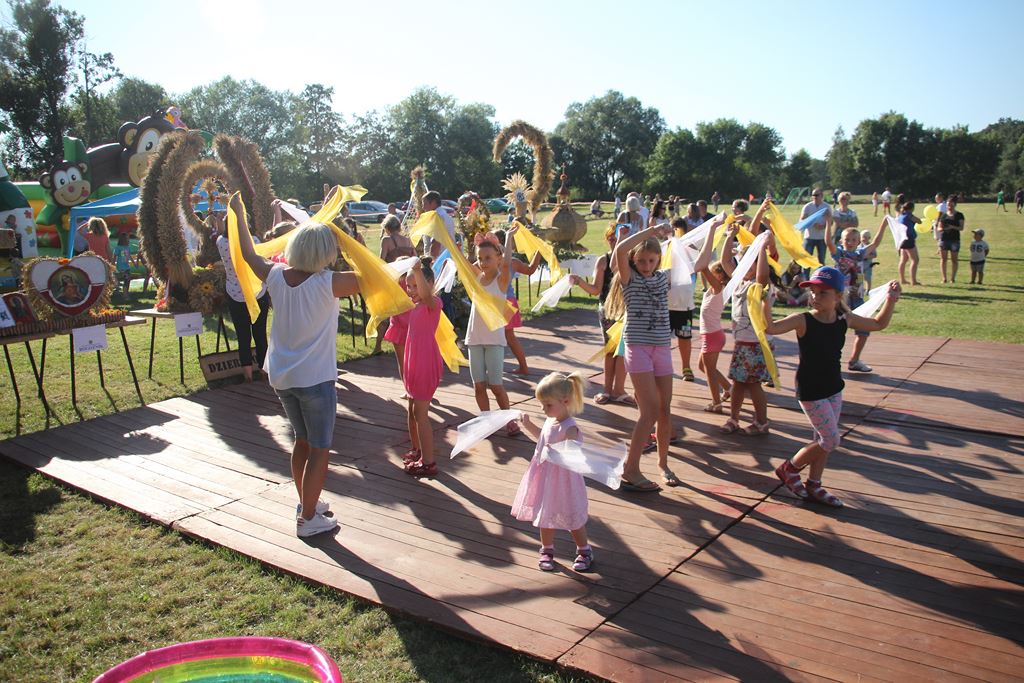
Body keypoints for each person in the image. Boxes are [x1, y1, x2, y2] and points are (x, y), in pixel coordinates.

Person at [231, 191, 363, 538]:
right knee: (319, 447)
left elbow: (247, 253)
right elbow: (370, 273)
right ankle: (308, 519)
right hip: (315, 379)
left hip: (282, 377)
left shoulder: (275, 274)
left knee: (301, 441)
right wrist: (342, 232)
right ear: (325, 252)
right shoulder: (329, 283)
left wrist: (239, 214)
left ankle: (307, 502)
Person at [765, 266, 901, 508]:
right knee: (831, 440)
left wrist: (891, 299)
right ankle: (789, 468)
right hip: (810, 390)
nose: (815, 296)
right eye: (813, 291)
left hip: (834, 388)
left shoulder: (844, 319)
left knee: (822, 439)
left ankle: (814, 485)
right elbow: (771, 328)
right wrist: (765, 301)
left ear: (838, 296)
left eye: (822, 292)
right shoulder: (802, 320)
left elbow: (879, 323)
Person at [607, 224, 673, 491]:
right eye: (642, 261)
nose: (647, 266)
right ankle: (630, 469)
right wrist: (652, 230)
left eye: (652, 261)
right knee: (649, 411)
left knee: (664, 409)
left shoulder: (663, 278)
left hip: (662, 348)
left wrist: (715, 229)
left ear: (659, 259)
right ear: (635, 260)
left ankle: (663, 464)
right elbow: (621, 250)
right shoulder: (629, 279)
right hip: (638, 348)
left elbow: (700, 263)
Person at [510, 371, 593, 571]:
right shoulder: (551, 420)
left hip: (564, 480)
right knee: (544, 513)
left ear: (565, 401)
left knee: (571, 515)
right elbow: (543, 437)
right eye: (542, 404)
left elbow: (571, 452)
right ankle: (546, 549)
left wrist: (557, 450)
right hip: (546, 476)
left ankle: (584, 550)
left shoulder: (570, 427)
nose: (543, 408)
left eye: (548, 405)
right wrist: (528, 424)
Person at [719, 200, 773, 436]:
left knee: (753, 384)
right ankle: (734, 418)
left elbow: (762, 276)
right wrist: (730, 236)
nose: (745, 267)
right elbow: (725, 262)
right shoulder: (739, 282)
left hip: (754, 344)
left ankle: (762, 421)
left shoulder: (758, 286)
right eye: (743, 263)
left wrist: (761, 249)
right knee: (739, 383)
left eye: (750, 264)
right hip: (742, 343)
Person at [571, 224, 634, 405]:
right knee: (610, 350)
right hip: (608, 310)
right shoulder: (603, 261)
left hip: (627, 309)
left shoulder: (631, 259)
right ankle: (607, 389)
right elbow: (596, 289)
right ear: (607, 240)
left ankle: (619, 389)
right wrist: (579, 282)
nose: (615, 242)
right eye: (612, 238)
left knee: (623, 351)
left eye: (619, 238)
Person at [466, 226, 520, 434]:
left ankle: (509, 420)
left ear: (498, 258)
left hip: (494, 341)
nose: (483, 262)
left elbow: (506, 264)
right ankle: (486, 420)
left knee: (496, 386)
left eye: (488, 258)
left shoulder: (501, 280)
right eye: (480, 258)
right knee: (479, 386)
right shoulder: (478, 277)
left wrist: (508, 238)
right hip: (474, 339)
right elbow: (464, 262)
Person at [400, 259, 444, 478]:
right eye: (409, 286)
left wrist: (417, 270)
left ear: (429, 284)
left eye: (416, 285)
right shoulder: (416, 306)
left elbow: (426, 295)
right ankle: (418, 449)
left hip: (425, 364)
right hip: (414, 363)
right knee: (412, 411)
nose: (411, 290)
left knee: (421, 414)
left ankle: (428, 462)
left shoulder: (433, 303)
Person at [825, 223, 887, 373]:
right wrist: (828, 223)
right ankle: (827, 359)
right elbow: (828, 242)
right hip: (841, 299)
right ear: (841, 241)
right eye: (847, 239)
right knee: (834, 328)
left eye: (854, 240)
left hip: (857, 297)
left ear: (859, 241)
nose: (850, 242)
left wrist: (884, 224)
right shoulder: (839, 254)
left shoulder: (860, 254)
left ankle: (854, 360)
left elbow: (875, 243)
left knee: (864, 330)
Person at [216, 212, 270, 382]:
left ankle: (247, 374)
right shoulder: (254, 241)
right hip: (257, 293)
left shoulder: (221, 242)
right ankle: (263, 370)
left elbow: (220, 232)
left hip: (235, 293)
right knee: (260, 333)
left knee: (243, 335)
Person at [494, 229, 541, 375]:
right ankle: (522, 366)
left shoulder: (494, 261)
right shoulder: (513, 262)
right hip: (509, 301)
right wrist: (539, 251)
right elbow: (531, 270)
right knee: (509, 337)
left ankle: (499, 368)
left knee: (499, 337)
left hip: (500, 302)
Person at [799, 189, 832, 269]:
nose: (814, 197)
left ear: (822, 196)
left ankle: (820, 275)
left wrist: (823, 226)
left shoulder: (827, 207)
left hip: (822, 238)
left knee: (821, 261)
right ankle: (805, 276)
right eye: (813, 195)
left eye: (817, 195)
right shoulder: (807, 206)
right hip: (809, 237)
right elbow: (802, 220)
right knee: (807, 260)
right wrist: (813, 224)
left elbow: (831, 221)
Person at [895, 195, 922, 285]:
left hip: (902, 239)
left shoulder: (900, 215)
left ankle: (902, 279)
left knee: (903, 260)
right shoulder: (909, 215)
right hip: (909, 239)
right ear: (911, 208)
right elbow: (919, 221)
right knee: (915, 260)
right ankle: (913, 281)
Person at [938, 194, 965, 283]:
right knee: (943, 259)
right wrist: (943, 228)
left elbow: (961, 228)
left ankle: (953, 278)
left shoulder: (959, 215)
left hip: (954, 240)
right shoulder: (943, 215)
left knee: (954, 260)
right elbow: (939, 228)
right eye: (948, 203)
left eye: (951, 203)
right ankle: (944, 278)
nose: (949, 205)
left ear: (955, 204)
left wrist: (952, 227)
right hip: (944, 239)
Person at [422, 191, 457, 258]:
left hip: (438, 259)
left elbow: (436, 244)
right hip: (447, 257)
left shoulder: (437, 217)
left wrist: (431, 260)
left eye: (425, 203)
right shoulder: (445, 216)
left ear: (433, 203)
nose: (423, 207)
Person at [113, 232, 132, 297]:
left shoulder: (127, 247)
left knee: (128, 280)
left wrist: (134, 263)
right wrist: (112, 266)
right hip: (121, 268)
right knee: (126, 279)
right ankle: (125, 295)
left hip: (127, 267)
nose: (128, 240)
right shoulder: (118, 247)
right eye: (127, 238)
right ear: (123, 239)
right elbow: (114, 257)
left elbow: (129, 256)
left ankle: (126, 292)